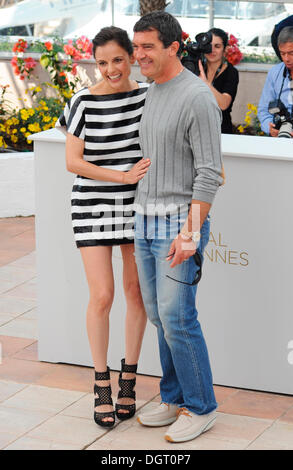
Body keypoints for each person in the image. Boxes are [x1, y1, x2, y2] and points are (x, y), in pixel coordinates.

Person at [132, 11, 223, 443]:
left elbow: (209, 172)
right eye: (137, 46)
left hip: (176, 223)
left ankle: (201, 406)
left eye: (148, 47)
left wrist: (189, 232)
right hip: (144, 219)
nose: (139, 55)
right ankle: (173, 397)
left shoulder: (196, 96)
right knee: (158, 316)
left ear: (173, 47)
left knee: (177, 316)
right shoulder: (153, 90)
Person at [56, 26, 150, 428]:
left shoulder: (148, 95)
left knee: (135, 292)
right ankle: (101, 384)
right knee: (103, 295)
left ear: (131, 57)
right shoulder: (82, 101)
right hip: (93, 204)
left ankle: (129, 377)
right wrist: (122, 177)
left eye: (117, 59)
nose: (110, 69)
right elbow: (72, 163)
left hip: (136, 206)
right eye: (102, 62)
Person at [198, 28, 239, 134]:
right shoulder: (197, 67)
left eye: (217, 46)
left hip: (221, 131)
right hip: (197, 129)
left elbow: (224, 104)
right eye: (209, 45)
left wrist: (205, 83)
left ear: (225, 49)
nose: (212, 50)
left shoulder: (231, 72)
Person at [258, 25, 293, 137]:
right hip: (279, 135)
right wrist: (270, 127)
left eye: (291, 53)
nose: (286, 59)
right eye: (283, 53)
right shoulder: (274, 73)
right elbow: (263, 109)